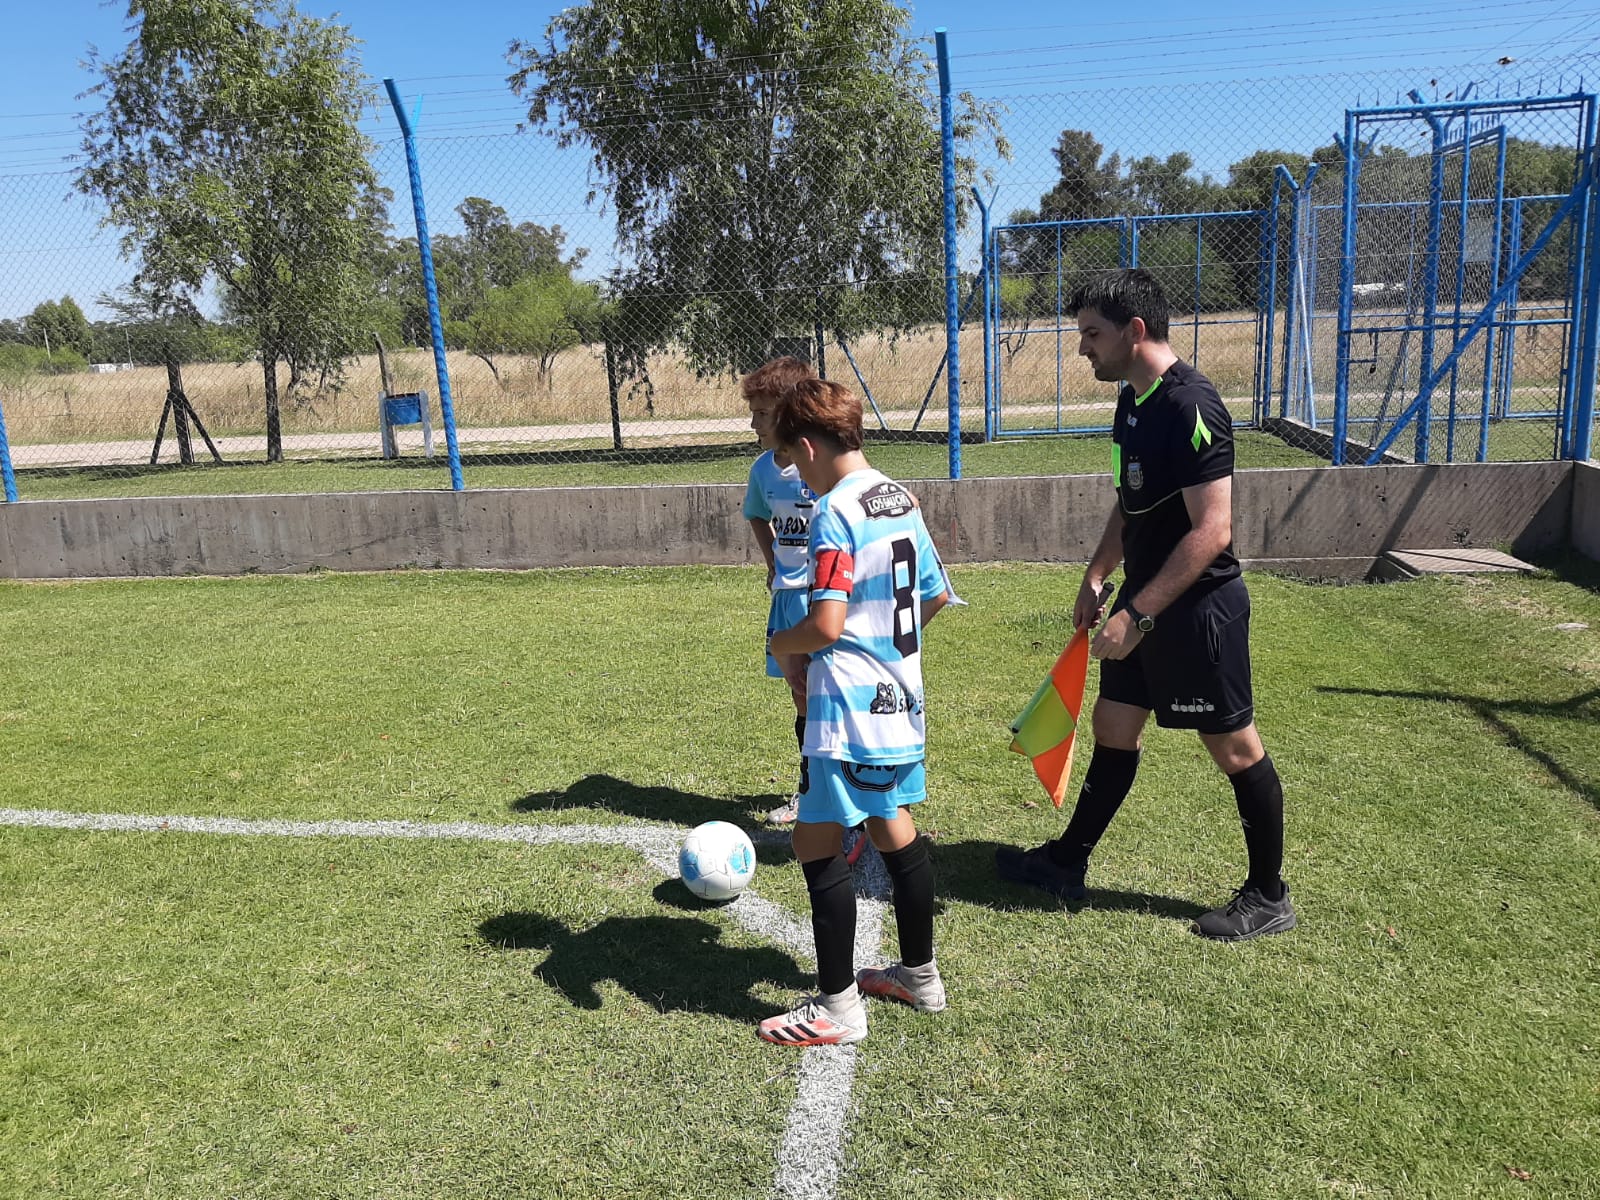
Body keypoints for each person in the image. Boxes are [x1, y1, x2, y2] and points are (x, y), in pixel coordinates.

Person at [995, 268, 1296, 942]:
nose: (1082, 348)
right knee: (1114, 725)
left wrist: (1138, 616)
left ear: (1135, 330)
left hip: (1197, 608)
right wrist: (1098, 574)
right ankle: (1067, 862)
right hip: (1144, 600)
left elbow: (1213, 531)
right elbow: (1130, 503)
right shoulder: (1132, 402)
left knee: (1235, 748)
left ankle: (1269, 895)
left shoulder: (1192, 406)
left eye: (1091, 334)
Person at [758, 378, 951, 1046]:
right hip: (900, 699)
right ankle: (920, 977)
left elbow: (826, 625)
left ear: (810, 446)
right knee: (891, 822)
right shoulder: (899, 497)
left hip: (847, 710)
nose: (799, 476)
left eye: (794, 459)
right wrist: (886, 650)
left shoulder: (834, 511)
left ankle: (838, 1008)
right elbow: (934, 594)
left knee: (813, 841)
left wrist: (781, 644)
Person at [741, 356, 820, 826]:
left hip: (824, 595)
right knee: (801, 695)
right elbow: (756, 513)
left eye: (763, 414)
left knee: (829, 693)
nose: (754, 424)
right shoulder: (763, 471)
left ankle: (841, 791)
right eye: (752, 413)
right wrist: (773, 561)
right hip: (787, 598)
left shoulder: (820, 468)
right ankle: (810, 791)